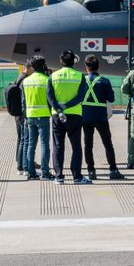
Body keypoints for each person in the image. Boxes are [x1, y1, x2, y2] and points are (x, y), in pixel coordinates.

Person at [80, 55, 125, 181]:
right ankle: (113, 169)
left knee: (88, 145)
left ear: (86, 67)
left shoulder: (82, 80)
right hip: (101, 117)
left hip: (86, 116)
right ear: (98, 66)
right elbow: (111, 99)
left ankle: (91, 171)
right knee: (108, 144)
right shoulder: (105, 81)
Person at [49, 50, 90, 184]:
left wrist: (59, 109)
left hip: (57, 115)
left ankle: (59, 176)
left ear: (60, 61)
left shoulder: (53, 76)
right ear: (74, 61)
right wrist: (66, 106)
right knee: (76, 146)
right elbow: (80, 96)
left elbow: (50, 96)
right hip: (74, 115)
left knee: (58, 146)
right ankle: (77, 176)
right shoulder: (80, 76)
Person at [22, 56, 54, 181]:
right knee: (44, 144)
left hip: (30, 115)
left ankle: (31, 172)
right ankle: (45, 172)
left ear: (33, 66)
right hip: (43, 115)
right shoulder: (47, 80)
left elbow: (24, 101)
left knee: (31, 145)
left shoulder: (26, 81)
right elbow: (50, 99)